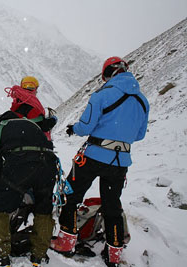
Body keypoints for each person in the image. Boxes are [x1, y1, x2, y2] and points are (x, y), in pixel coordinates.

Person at [51, 56, 149, 267]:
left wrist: (73, 129)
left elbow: (86, 126)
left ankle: (66, 242)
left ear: (108, 74)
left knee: (71, 194)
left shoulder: (102, 95)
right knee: (112, 206)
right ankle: (114, 254)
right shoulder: (142, 101)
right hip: (120, 161)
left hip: (93, 155)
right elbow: (139, 135)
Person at [0, 111, 58, 267]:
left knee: (1, 210)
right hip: (48, 164)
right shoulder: (29, 124)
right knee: (43, 209)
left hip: (21, 163)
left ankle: (1, 255)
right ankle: (39, 255)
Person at [7, 76, 57, 141]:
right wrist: (53, 120)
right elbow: (43, 126)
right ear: (34, 89)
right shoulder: (32, 104)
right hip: (31, 139)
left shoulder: (18, 101)